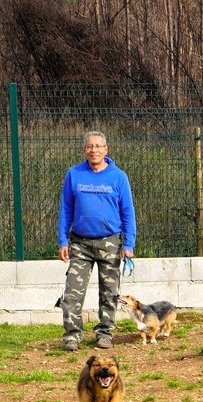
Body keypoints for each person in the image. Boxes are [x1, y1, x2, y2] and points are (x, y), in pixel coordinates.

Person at [57, 131, 136, 351]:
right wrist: (62, 240)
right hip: (79, 243)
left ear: (106, 150)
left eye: (98, 146)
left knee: (109, 291)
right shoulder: (73, 174)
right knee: (72, 291)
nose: (94, 150)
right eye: (90, 147)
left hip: (110, 242)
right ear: (84, 150)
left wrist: (128, 245)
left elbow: (128, 212)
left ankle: (105, 333)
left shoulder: (119, 177)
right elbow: (66, 209)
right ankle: (72, 336)